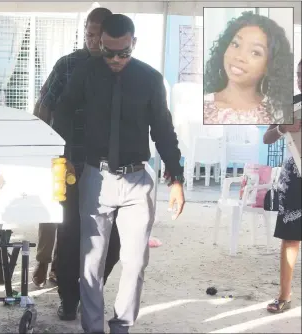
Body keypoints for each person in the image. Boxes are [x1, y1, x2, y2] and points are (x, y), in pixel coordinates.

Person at [53, 14, 185, 333]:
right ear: (100, 43)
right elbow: (62, 110)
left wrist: (177, 177)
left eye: (122, 52)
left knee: (135, 262)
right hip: (95, 180)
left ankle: (122, 325)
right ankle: (93, 328)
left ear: (133, 44)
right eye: (109, 51)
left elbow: (163, 130)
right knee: (91, 266)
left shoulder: (150, 79)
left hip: (138, 181)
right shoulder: (86, 72)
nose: (114, 59)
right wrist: (66, 155)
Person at [32, 7, 121, 320]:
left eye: (98, 34)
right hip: (69, 168)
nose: (92, 39)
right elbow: (42, 107)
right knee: (69, 239)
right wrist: (50, 154)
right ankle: (69, 300)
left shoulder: (120, 68)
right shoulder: (67, 65)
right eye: (88, 32)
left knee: (112, 246)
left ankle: (90, 288)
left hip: (109, 172)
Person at [203, 11, 293, 125]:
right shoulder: (200, 107)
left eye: (255, 52)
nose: (239, 56)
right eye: (235, 44)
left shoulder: (278, 114)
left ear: (269, 66)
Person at [263, 58, 301, 314]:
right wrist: (282, 127)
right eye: (299, 74)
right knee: (291, 237)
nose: (300, 79)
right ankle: (284, 296)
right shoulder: (291, 105)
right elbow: (267, 137)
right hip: (294, 175)